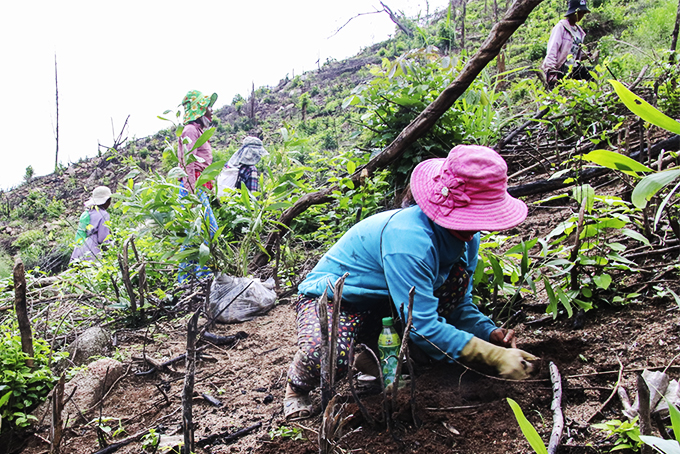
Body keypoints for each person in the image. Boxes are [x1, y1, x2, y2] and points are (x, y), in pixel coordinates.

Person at [283, 145, 538, 420]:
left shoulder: (467, 239)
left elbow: (459, 305)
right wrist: (491, 357)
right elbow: (422, 327)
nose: (475, 227)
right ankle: (296, 390)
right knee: (326, 354)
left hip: (386, 301)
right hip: (338, 299)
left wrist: (488, 333)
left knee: (444, 306)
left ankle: (372, 360)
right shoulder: (409, 239)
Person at [177, 90, 219, 282]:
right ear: (199, 110)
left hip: (200, 186)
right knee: (206, 231)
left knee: (196, 234)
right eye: (207, 107)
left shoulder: (199, 131)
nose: (211, 111)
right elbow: (188, 163)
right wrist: (193, 193)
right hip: (192, 187)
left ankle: (186, 280)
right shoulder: (190, 130)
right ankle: (202, 279)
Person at [542, 0, 592, 89]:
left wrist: (584, 56)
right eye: (579, 12)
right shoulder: (561, 27)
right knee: (558, 93)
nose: (581, 15)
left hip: (573, 68)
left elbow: (573, 52)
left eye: (583, 13)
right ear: (573, 12)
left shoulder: (579, 32)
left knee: (592, 73)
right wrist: (551, 70)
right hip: (560, 69)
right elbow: (553, 48)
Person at [70, 186, 112, 263]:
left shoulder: (86, 213)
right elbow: (102, 239)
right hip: (92, 251)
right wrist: (113, 248)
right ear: (107, 201)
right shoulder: (104, 215)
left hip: (79, 251)